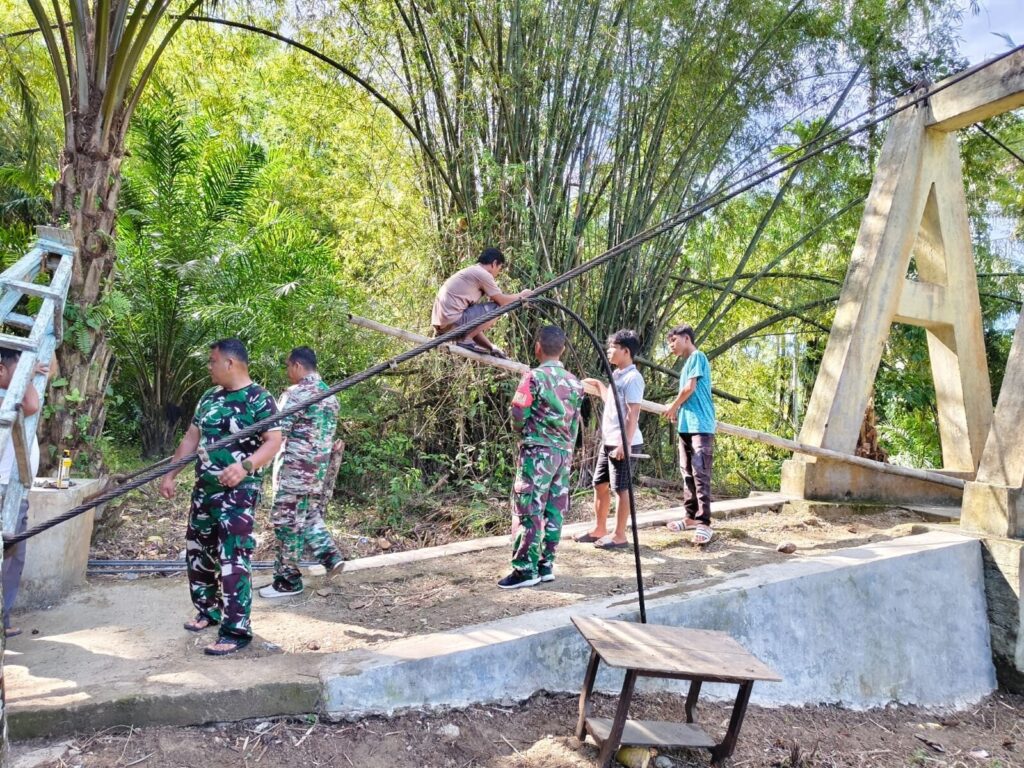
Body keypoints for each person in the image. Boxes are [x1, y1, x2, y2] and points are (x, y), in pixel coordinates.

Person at [160, 339, 282, 656]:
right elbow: (191, 438)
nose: (209, 367)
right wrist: (171, 473)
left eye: (212, 361)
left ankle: (236, 631)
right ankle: (208, 610)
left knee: (233, 557)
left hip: (238, 494)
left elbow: (273, 441)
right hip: (205, 490)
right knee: (198, 550)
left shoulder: (260, 399)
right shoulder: (209, 397)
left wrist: (245, 467)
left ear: (230, 363)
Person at [499, 326, 584, 589]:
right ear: (563, 349)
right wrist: (567, 446)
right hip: (563, 454)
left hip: (537, 452)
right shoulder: (575, 383)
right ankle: (546, 565)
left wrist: (522, 430)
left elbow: (518, 409)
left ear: (538, 347)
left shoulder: (533, 377)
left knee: (529, 507)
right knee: (554, 509)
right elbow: (575, 421)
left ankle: (525, 569)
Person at [260, 347, 345, 598]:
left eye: (288, 366)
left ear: (297, 365)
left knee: (287, 523)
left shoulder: (296, 394)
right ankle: (330, 557)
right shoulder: (331, 396)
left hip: (294, 472)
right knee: (308, 516)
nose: (287, 372)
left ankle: (287, 582)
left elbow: (277, 432)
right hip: (317, 473)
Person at [575, 330, 646, 550]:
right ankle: (599, 528)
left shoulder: (634, 378)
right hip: (609, 441)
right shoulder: (617, 375)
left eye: (613, 347)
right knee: (599, 484)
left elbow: (633, 413)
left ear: (626, 351)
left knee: (621, 489)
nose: (608, 350)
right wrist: (598, 385)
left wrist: (625, 443)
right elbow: (612, 402)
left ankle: (619, 535)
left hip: (624, 442)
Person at [0, 347, 48, 638]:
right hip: (6, 490)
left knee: (13, 558)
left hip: (13, 489)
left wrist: (25, 370)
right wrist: (28, 374)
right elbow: (31, 404)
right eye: (18, 369)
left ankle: (4, 619)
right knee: (9, 557)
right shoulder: (5, 398)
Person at [662, 324, 716, 544]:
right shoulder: (686, 364)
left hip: (700, 425)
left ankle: (704, 523)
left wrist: (673, 406)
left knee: (700, 472)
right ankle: (690, 517)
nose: (671, 346)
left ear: (686, 338)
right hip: (685, 425)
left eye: (673, 341)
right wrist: (677, 411)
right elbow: (687, 395)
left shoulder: (697, 356)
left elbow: (689, 389)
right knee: (687, 473)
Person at [431, 247, 532, 358]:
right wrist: (522, 295)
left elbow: (472, 327)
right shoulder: (483, 274)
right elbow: (502, 302)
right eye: (499, 268)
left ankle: (465, 340)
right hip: (452, 321)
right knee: (497, 307)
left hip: (444, 326)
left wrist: (491, 347)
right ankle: (465, 341)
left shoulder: (473, 271)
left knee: (484, 318)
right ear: (494, 263)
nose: (498, 273)